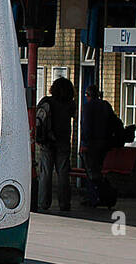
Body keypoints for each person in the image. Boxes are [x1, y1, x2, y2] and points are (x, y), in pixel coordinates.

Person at [79, 84, 125, 209]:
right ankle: (100, 196)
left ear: (88, 95)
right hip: (104, 144)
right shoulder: (105, 105)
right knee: (97, 170)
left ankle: (94, 197)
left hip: (91, 145)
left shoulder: (88, 107)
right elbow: (115, 122)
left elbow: (86, 126)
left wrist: (84, 144)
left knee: (91, 172)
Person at [34, 76, 75, 212]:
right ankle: (64, 203)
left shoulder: (47, 101)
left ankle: (43, 202)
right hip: (63, 141)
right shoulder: (70, 104)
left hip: (47, 141)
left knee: (45, 172)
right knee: (63, 173)